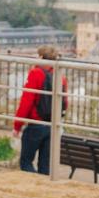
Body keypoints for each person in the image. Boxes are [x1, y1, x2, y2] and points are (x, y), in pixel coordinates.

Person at [13, 47, 65, 175]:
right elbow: (65, 103)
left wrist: (17, 126)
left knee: (26, 161)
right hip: (52, 125)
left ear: (41, 57)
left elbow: (26, 102)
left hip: (36, 124)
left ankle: (31, 186)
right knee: (45, 165)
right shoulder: (60, 77)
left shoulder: (36, 73)